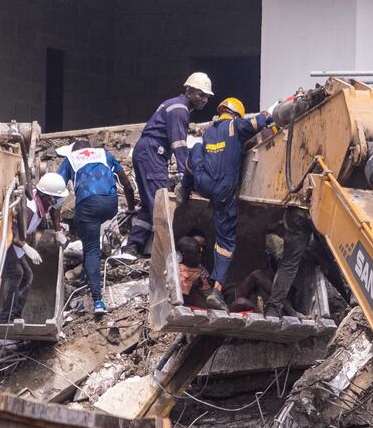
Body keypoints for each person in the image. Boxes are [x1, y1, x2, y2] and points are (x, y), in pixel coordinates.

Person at [177, 97, 272, 309]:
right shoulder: (236, 126)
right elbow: (257, 123)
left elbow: (200, 155)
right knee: (226, 242)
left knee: (195, 150)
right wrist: (268, 113)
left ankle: (183, 188)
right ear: (237, 114)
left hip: (203, 183)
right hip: (223, 190)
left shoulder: (209, 132)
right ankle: (217, 290)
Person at [122, 72, 213, 257]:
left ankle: (133, 246)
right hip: (153, 153)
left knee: (150, 204)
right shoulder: (179, 109)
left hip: (149, 152)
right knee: (160, 203)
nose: (204, 99)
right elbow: (178, 143)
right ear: (189, 91)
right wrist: (184, 173)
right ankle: (163, 253)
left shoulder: (175, 105)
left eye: (206, 96)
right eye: (200, 94)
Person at [57, 140, 136, 315]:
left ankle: (97, 300)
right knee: (92, 236)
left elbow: (57, 190)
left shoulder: (70, 159)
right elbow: (127, 183)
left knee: (91, 248)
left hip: (87, 205)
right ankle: (89, 272)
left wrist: (56, 227)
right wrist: (131, 209)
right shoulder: (104, 154)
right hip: (110, 204)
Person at [0, 172, 69, 323]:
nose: (58, 202)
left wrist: (58, 231)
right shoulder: (29, 209)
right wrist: (26, 247)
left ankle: (14, 316)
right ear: (48, 197)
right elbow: (10, 230)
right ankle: (5, 319)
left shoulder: (42, 201)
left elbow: (55, 210)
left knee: (27, 276)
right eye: (56, 199)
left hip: (16, 242)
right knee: (16, 274)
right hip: (6, 240)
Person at [264, 207, 349, 319]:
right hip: (322, 208)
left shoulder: (280, 242)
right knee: (330, 261)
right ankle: (351, 296)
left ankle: (272, 307)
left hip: (300, 208)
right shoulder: (274, 242)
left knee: (289, 263)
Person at [177, 236, 213, 308]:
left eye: (200, 252)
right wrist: (193, 285)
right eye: (196, 254)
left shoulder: (198, 266)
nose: (200, 255)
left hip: (207, 295)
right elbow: (183, 296)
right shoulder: (181, 271)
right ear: (184, 254)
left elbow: (208, 284)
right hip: (194, 298)